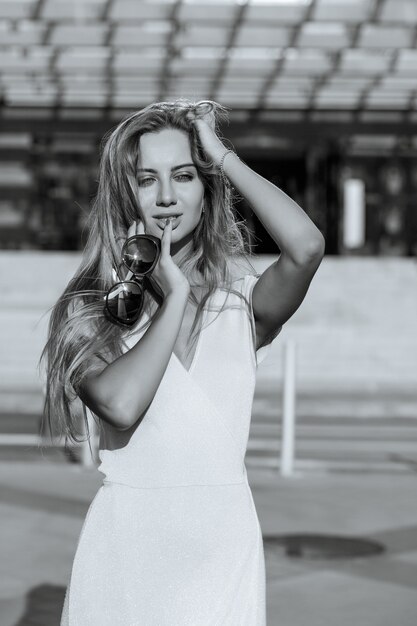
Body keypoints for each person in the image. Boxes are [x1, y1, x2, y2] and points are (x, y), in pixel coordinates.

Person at [41, 99, 325, 625]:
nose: (168, 197)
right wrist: (171, 297)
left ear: (207, 189)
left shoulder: (242, 304)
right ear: (126, 193)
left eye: (185, 175)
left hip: (224, 547)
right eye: (147, 179)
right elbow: (121, 404)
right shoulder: (88, 310)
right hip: (127, 553)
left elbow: (306, 247)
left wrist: (223, 157)